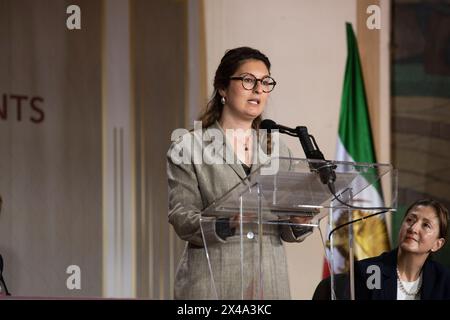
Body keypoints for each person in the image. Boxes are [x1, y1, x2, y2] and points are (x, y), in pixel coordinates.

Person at [167, 47, 313, 300]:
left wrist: (299, 223)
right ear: (223, 88)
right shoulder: (189, 147)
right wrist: (226, 222)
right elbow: (182, 218)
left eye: (266, 82)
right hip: (213, 284)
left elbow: (286, 229)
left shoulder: (280, 150)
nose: (258, 89)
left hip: (270, 284)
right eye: (248, 80)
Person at [355, 199, 450, 300]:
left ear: (437, 244)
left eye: (426, 225)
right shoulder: (370, 271)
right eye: (410, 220)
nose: (413, 228)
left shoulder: (444, 280)